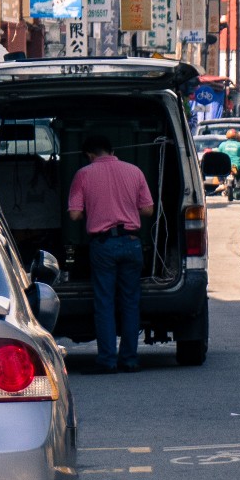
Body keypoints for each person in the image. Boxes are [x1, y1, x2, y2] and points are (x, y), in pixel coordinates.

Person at [68, 133, 156, 373]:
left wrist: (94, 209)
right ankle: (129, 358)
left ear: (89, 155)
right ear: (112, 149)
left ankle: (107, 360)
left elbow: (74, 215)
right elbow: (148, 209)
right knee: (130, 302)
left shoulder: (83, 175)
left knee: (105, 303)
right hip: (131, 243)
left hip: (103, 245)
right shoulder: (135, 171)